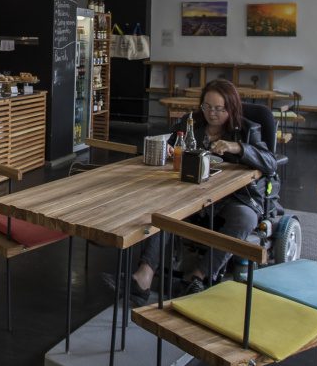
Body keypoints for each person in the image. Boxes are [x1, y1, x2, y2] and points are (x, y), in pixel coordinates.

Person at [105, 79, 277, 304]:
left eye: (219, 109)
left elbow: (270, 162)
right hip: (190, 191)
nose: (212, 113)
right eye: (207, 107)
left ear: (231, 107)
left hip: (233, 196)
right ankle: (143, 277)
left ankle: (199, 276)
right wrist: (168, 149)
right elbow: (171, 144)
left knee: (245, 218)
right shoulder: (191, 122)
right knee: (162, 210)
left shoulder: (246, 130)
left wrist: (238, 147)